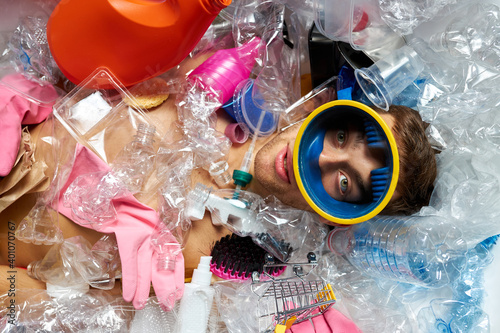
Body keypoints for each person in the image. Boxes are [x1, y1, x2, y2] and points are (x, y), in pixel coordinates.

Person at [0, 53, 437, 297]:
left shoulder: (220, 266)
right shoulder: (209, 80)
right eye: (341, 136)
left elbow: (48, 300)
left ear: (335, 214)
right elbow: (82, 59)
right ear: (325, 111)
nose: (324, 159)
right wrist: (21, 98)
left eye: (345, 183)